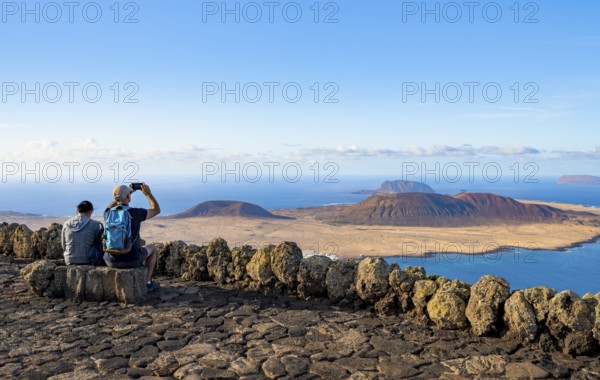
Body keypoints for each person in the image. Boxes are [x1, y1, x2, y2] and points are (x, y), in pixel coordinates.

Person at [104, 183, 161, 292]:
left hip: (110, 260)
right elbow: (156, 210)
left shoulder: (107, 213)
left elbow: (112, 205)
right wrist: (148, 193)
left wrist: (124, 195)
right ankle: (148, 282)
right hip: (130, 259)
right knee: (152, 249)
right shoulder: (135, 213)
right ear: (129, 197)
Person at [62, 201, 104, 265]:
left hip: (69, 259)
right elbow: (98, 243)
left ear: (78, 210)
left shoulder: (66, 223)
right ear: (90, 211)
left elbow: (63, 244)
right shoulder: (95, 224)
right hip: (88, 259)